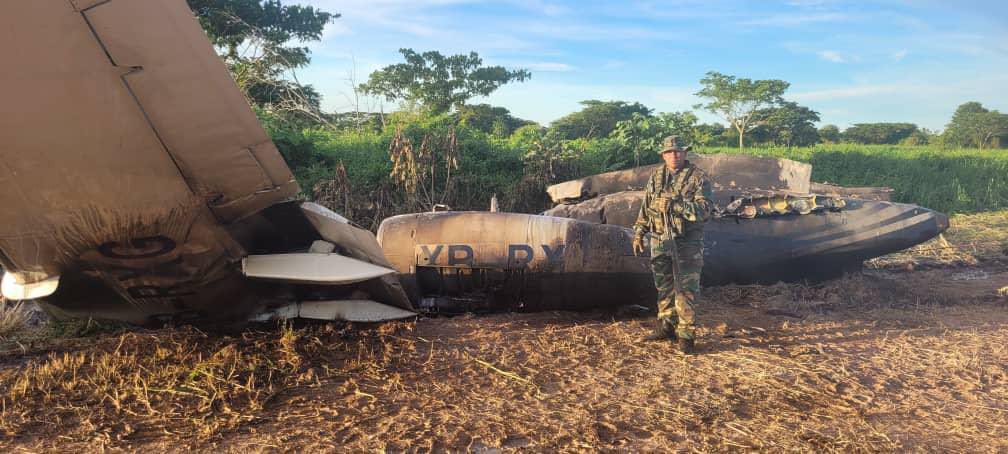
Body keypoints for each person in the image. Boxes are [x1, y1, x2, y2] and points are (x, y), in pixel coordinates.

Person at [632, 136, 714, 354]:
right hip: (660, 240)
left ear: (685, 153)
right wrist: (640, 232)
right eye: (669, 152)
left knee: (686, 289)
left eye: (678, 151)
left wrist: (677, 205)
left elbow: (705, 211)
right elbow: (647, 206)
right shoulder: (657, 176)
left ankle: (686, 336)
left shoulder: (698, 177)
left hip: (686, 243)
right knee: (664, 285)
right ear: (663, 155)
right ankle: (666, 325)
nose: (673, 155)